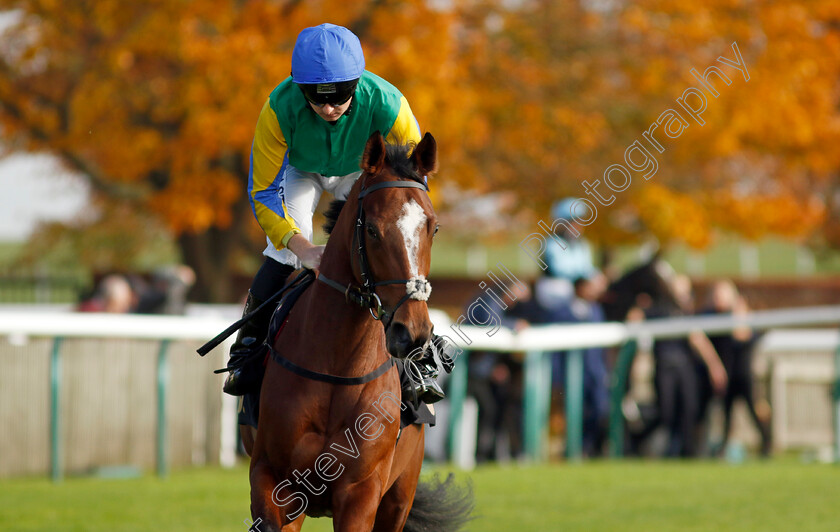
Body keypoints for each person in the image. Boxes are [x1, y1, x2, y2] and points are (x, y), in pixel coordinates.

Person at [223, 23, 445, 403]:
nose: (328, 108)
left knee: (390, 242)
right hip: (301, 171)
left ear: (357, 82)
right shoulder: (278, 108)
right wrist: (304, 248)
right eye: (316, 97)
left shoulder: (390, 104)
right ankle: (247, 348)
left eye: (340, 95)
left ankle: (417, 360)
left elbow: (412, 184)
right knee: (284, 252)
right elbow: (262, 190)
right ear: (298, 87)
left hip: (363, 172)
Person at [703, 280, 771, 457]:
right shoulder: (714, 319)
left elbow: (743, 336)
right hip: (727, 376)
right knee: (725, 416)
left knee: (754, 413)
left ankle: (767, 446)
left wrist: (739, 316)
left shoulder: (745, 320)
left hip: (745, 376)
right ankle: (722, 451)